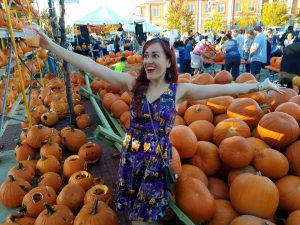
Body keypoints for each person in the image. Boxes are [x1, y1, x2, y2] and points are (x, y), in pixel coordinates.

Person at [32, 25, 281, 225]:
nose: (149, 61)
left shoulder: (179, 90)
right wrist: (50, 45)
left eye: (155, 56)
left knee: (146, 214)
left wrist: (260, 85)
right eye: (146, 56)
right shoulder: (132, 85)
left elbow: (223, 87)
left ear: (168, 61)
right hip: (132, 156)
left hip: (157, 159)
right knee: (133, 209)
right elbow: (90, 65)